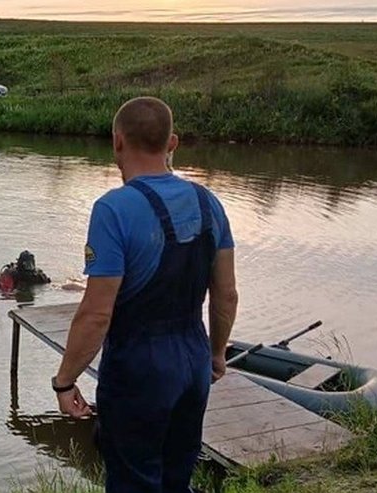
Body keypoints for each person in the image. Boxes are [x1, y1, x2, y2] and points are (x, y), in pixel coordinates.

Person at [51, 97, 239, 492]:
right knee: (177, 477)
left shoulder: (114, 209)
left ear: (117, 141)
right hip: (193, 361)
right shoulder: (209, 203)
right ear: (173, 142)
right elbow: (227, 296)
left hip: (139, 368)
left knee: (133, 481)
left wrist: (64, 382)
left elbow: (96, 314)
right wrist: (216, 353)